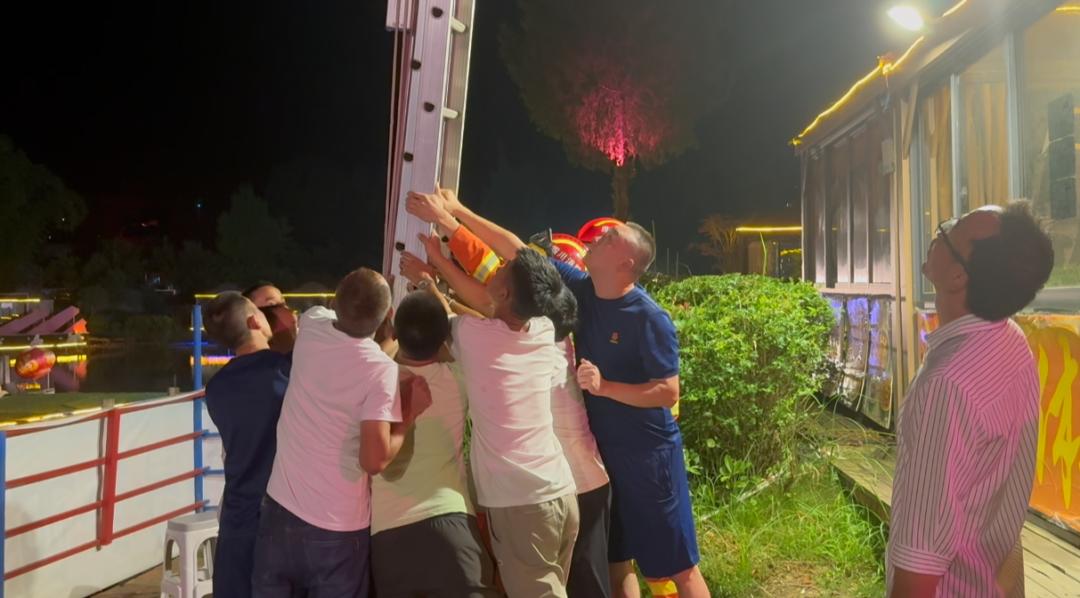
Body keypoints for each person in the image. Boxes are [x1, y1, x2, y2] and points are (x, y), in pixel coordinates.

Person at [406, 186, 709, 598]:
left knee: (676, 565)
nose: (597, 238)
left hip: (645, 459)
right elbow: (515, 256)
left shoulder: (649, 317)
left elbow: (668, 392)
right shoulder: (582, 292)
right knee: (617, 562)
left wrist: (606, 387)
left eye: (609, 238)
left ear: (625, 263)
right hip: (598, 460)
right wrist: (455, 213)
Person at [403, 223, 613, 597]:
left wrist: (426, 280)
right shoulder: (543, 330)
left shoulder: (475, 336)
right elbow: (487, 317)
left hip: (523, 504)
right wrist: (438, 274)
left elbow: (449, 319)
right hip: (560, 494)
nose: (497, 266)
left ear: (504, 292)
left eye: (503, 268)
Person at [888, 201, 1053, 598]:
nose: (939, 230)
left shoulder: (947, 386)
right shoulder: (1011, 342)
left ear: (958, 275)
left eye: (952, 229)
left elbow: (919, 568)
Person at [253, 268, 431, 598]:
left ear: (335, 301)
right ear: (387, 317)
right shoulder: (379, 371)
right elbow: (374, 460)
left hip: (278, 511)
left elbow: (344, 342)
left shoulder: (311, 325)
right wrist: (409, 414)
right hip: (336, 528)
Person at [370, 290, 498, 597]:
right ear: (443, 337)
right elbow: (488, 336)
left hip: (388, 533)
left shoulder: (374, 379)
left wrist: (392, 333)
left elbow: (378, 355)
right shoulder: (458, 379)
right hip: (450, 520)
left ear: (395, 331)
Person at [203, 292, 290, 598]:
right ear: (255, 321)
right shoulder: (287, 371)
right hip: (282, 516)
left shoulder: (216, 388)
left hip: (237, 517)